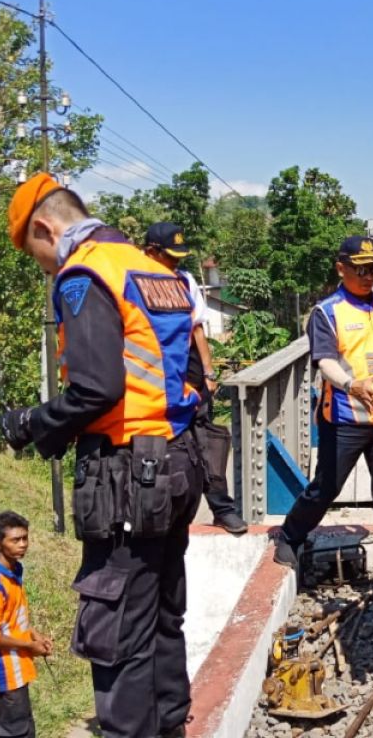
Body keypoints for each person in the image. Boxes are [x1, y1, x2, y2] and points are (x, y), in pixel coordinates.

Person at [0, 173, 204, 738]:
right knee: (163, 618)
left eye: (33, 251)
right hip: (177, 463)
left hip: (127, 478)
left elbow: (96, 389)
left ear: (44, 228)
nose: (41, 264)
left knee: (118, 633)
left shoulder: (83, 273)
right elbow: (192, 377)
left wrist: (32, 425)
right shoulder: (155, 269)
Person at [274, 236, 373, 603]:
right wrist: (351, 385)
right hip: (345, 417)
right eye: (360, 269)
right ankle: (290, 535)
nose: (368, 275)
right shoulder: (327, 312)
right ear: (341, 268)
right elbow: (324, 361)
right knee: (327, 487)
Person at [143, 221, 247, 535]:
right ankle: (159, 513)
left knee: (207, 442)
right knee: (161, 446)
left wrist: (209, 372)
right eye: (170, 256)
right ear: (151, 252)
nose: (176, 263)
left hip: (190, 372)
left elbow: (197, 329)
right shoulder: (134, 283)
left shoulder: (184, 281)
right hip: (154, 378)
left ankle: (222, 508)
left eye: (179, 256)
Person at [0, 511, 52, 738]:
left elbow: (14, 618)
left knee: (3, 728)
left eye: (25, 538)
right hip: (2, 673)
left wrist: (35, 635)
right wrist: (29, 646)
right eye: (15, 540)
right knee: (19, 730)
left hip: (15, 666)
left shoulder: (14, 570)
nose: (23, 544)